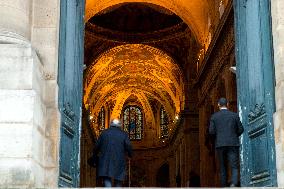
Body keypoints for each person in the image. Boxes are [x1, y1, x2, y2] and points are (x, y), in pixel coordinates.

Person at [209, 98, 244, 187]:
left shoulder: (214, 117)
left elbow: (211, 132)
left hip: (220, 144)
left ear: (218, 105)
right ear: (227, 104)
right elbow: (241, 129)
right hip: (233, 143)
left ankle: (224, 186)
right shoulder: (234, 115)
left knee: (222, 167)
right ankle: (233, 184)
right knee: (234, 166)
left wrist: (218, 137)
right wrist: (234, 135)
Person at [95, 118, 133, 187]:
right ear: (119, 125)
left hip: (105, 160)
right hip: (119, 160)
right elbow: (128, 146)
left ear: (110, 124)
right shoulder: (124, 134)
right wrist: (130, 155)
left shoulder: (104, 133)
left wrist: (95, 155)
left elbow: (97, 146)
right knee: (118, 180)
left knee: (107, 178)